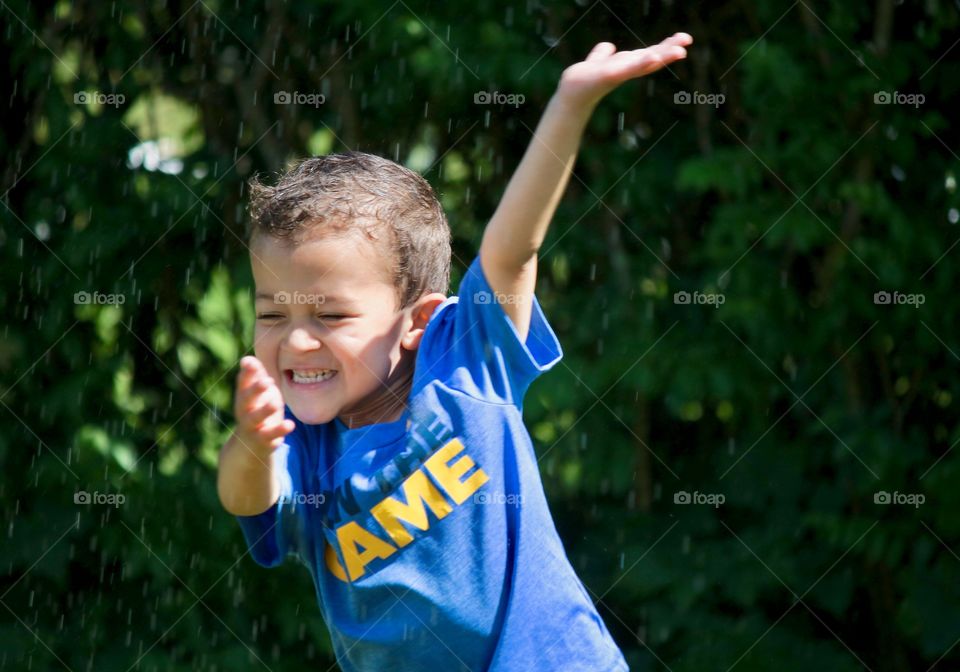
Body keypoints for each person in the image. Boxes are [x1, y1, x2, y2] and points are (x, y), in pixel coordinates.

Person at [217, 32, 693, 672]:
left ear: (419, 322)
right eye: (271, 313)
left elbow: (512, 249)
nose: (296, 340)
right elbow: (246, 498)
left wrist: (571, 103)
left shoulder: (465, 367)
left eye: (330, 315)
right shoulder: (303, 448)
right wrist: (251, 440)